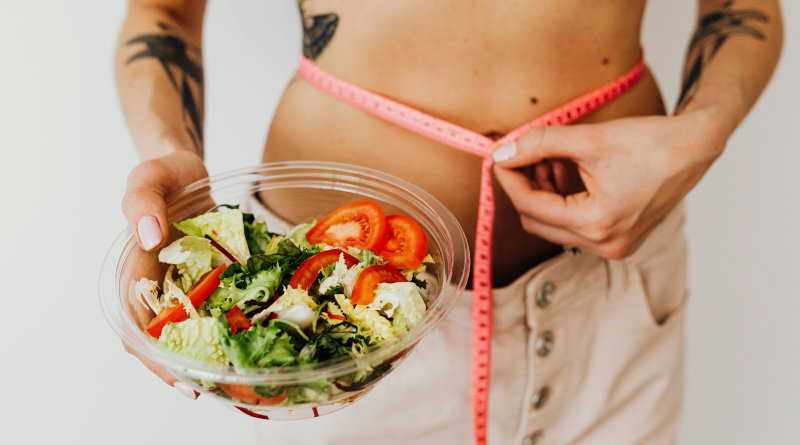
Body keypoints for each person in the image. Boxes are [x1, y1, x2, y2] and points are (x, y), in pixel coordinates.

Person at [115, 1, 783, 444]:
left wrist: (702, 132)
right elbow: (164, 12)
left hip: (612, 305)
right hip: (327, 324)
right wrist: (171, 159)